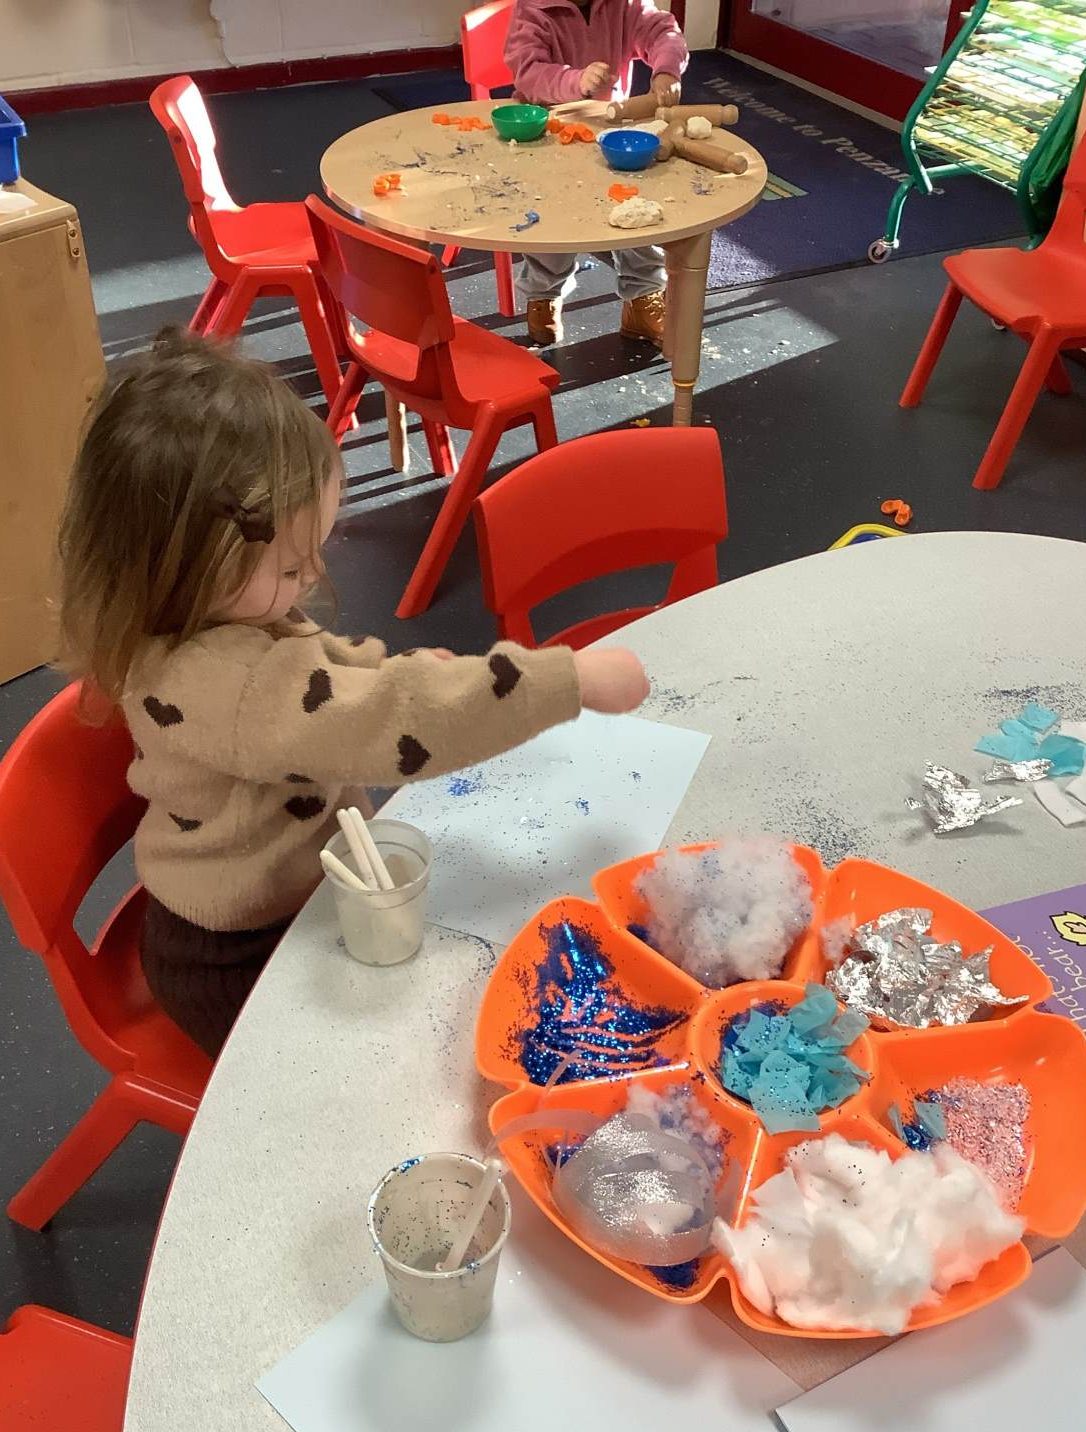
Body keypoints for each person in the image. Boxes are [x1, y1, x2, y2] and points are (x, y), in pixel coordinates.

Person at [55, 330, 649, 1058]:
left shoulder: (195, 610)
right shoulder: (230, 688)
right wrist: (569, 681)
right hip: (238, 957)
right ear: (180, 562)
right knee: (391, 1060)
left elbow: (319, 667)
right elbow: (386, 723)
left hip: (287, 900)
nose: (310, 577)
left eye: (315, 553)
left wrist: (395, 672)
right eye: (290, 565)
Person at [503, 0, 689, 349]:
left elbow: (662, 31)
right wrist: (576, 80)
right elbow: (528, 71)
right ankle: (544, 294)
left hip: (610, 130)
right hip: (547, 133)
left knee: (635, 210)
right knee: (552, 222)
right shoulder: (534, 8)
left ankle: (643, 297)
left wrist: (666, 70)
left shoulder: (625, 4)